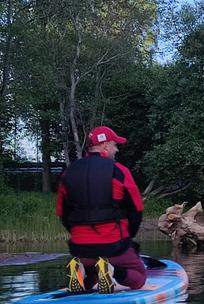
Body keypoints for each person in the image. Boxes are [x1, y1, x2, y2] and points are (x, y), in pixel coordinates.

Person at [56, 126, 146, 294]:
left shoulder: (68, 173)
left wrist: (79, 234)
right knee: (139, 278)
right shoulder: (119, 171)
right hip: (115, 246)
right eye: (115, 145)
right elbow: (136, 210)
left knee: (91, 272)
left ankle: (81, 272)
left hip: (80, 248)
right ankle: (113, 270)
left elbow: (63, 215)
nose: (116, 150)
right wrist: (128, 240)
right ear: (105, 146)